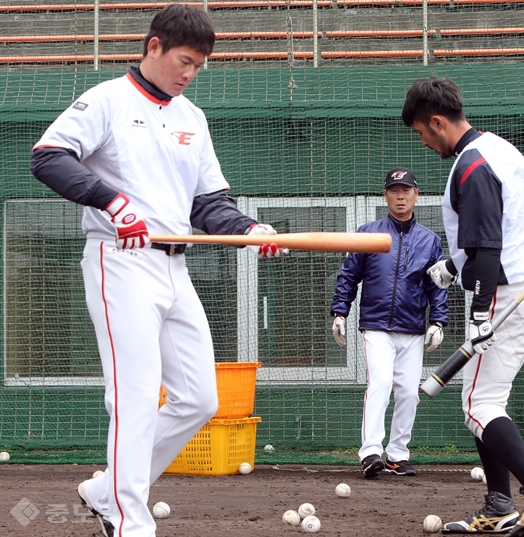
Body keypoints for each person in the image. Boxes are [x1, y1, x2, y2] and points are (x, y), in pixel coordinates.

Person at [30, 5, 286, 536]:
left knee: (199, 397)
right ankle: (128, 521)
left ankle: (106, 492)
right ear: (153, 47)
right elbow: (49, 156)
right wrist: (110, 201)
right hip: (119, 262)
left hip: (174, 265)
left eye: (199, 66)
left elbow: (209, 203)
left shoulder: (192, 118)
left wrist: (247, 229)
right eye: (184, 61)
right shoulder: (108, 99)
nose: (189, 73)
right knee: (137, 394)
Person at [401, 76, 524, 536]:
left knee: (477, 402)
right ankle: (499, 505)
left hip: (508, 293)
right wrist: (452, 270)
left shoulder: (470, 166)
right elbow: (496, 232)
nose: (424, 141)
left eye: (421, 132)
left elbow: (489, 252)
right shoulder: (498, 148)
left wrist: (478, 317)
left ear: (437, 122)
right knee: (486, 399)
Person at [330, 167, 449, 479]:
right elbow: (348, 277)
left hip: (412, 328)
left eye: (406, 190)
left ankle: (397, 455)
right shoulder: (368, 233)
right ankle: (370, 451)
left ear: (416, 195)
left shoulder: (430, 240)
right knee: (380, 384)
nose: (400, 196)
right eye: (394, 190)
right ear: (385, 195)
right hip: (377, 325)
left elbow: (436, 284)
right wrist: (340, 312)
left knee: (408, 392)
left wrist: (438, 321)